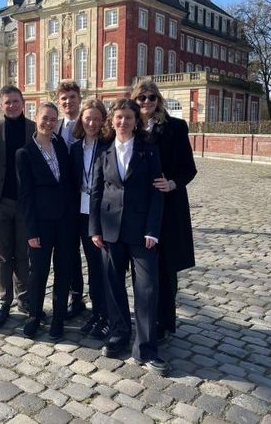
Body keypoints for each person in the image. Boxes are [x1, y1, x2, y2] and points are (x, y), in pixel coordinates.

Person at [89, 98, 166, 375]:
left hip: (141, 232)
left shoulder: (149, 151)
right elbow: (96, 192)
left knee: (146, 289)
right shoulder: (103, 151)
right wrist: (94, 229)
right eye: (119, 117)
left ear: (136, 122)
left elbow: (158, 191)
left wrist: (153, 230)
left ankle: (146, 348)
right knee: (113, 285)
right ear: (112, 121)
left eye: (129, 118)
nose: (123, 122)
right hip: (109, 230)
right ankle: (119, 333)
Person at [131, 81, 197, 341]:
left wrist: (172, 183)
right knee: (145, 267)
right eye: (141, 98)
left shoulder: (175, 127)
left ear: (158, 100)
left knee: (165, 267)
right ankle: (146, 316)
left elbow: (189, 168)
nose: (146, 102)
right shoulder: (130, 128)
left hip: (169, 207)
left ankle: (164, 322)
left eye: (150, 98)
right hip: (139, 208)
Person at [16, 102, 75, 340]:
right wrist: (31, 230)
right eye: (45, 118)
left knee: (63, 271)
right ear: (36, 118)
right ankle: (35, 315)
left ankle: (58, 318)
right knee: (38, 272)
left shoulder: (61, 145)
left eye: (53, 119)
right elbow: (25, 196)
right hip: (40, 224)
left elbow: (69, 181)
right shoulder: (24, 153)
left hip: (65, 222)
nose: (49, 123)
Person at [0, 85, 36, 328]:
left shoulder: (34, 129)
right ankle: (4, 301)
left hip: (25, 204)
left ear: (23, 103)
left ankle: (25, 300)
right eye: (7, 102)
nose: (12, 105)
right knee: (3, 255)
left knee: (23, 254)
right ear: (1, 105)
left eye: (16, 101)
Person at [70, 99, 110, 339]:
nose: (92, 123)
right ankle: (96, 314)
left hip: (102, 215)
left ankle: (105, 315)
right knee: (91, 267)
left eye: (96, 118)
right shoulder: (75, 148)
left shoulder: (108, 145)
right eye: (88, 118)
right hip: (80, 214)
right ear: (81, 120)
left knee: (101, 268)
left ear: (103, 120)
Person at [54, 80, 86, 319]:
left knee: (94, 252)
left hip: (86, 199)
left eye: (72, 97)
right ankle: (75, 298)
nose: (68, 102)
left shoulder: (90, 124)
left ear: (79, 99)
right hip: (63, 202)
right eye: (64, 98)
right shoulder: (55, 127)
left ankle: (98, 300)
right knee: (70, 252)